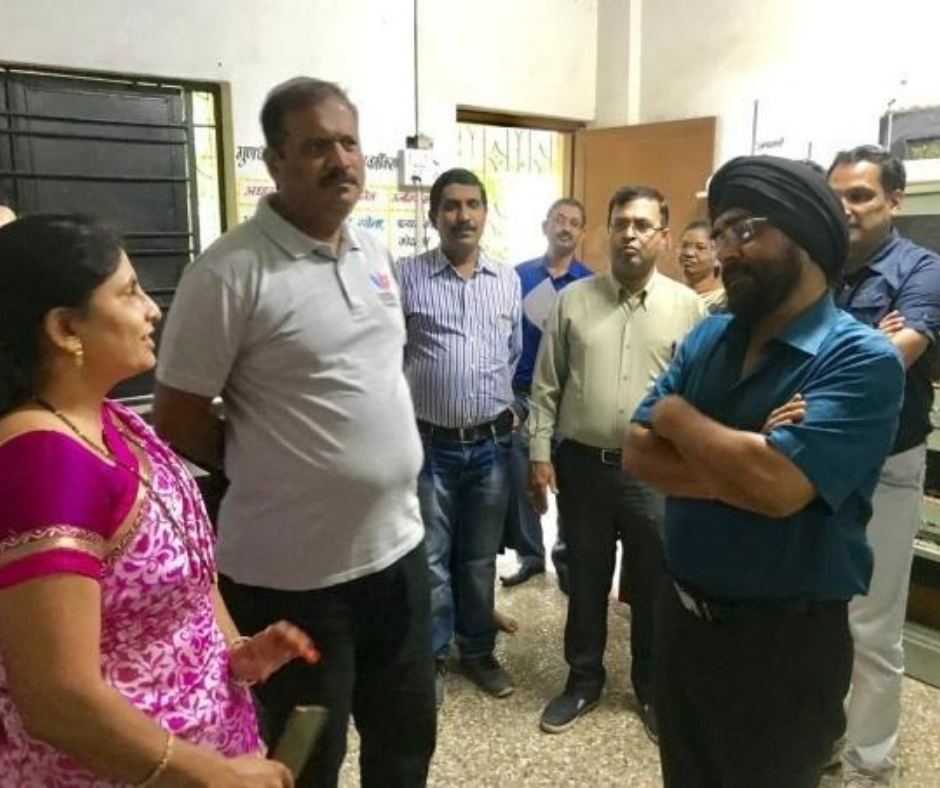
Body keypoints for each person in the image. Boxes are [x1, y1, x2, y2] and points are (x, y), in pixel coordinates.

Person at [153, 77, 436, 788]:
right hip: (292, 579)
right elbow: (178, 414)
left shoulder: (373, 254)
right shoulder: (229, 273)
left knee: (406, 738)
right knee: (306, 757)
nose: (340, 161)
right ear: (275, 161)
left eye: (349, 143)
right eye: (316, 147)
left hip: (397, 553)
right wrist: (268, 464)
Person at [0, 215, 317, 787]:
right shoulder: (46, 464)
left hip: (206, 750)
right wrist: (213, 777)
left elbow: (185, 565)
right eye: (129, 293)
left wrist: (234, 650)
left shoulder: (109, 420)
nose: (152, 310)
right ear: (66, 328)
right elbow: (58, 696)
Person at [624, 155, 905, 788]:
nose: (725, 250)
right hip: (682, 628)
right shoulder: (710, 337)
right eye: (721, 232)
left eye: (746, 229)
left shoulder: (861, 359)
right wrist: (750, 453)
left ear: (804, 232)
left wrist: (678, 415)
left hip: (783, 651)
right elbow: (638, 451)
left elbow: (777, 489)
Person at [528, 185, 705, 737]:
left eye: (642, 225)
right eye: (621, 223)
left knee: (654, 584)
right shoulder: (573, 301)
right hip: (584, 466)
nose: (630, 234)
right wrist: (539, 453)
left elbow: (700, 396)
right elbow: (546, 385)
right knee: (585, 579)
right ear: (608, 231)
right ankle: (583, 680)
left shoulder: (689, 308)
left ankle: (651, 687)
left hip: (656, 470)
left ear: (663, 237)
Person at [828, 145, 940, 787]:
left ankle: (870, 765)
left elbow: (895, 358)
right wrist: (870, 340)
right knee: (821, 613)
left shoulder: (921, 269)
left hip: (887, 465)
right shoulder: (817, 263)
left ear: (894, 200)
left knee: (872, 626)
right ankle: (827, 735)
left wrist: (852, 348)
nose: (846, 208)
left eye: (861, 195)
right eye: (837, 195)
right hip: (817, 460)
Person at [394, 168, 522, 707]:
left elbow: (512, 354)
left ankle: (479, 650)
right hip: (429, 446)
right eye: (451, 205)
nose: (462, 216)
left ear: (485, 214)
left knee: (479, 557)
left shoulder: (507, 279)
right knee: (430, 560)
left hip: (491, 446)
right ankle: (434, 656)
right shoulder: (406, 276)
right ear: (434, 216)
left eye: (472, 205)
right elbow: (389, 356)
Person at [500, 197, 592, 590]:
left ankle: (567, 561)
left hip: (568, 396)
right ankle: (531, 556)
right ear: (545, 226)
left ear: (582, 232)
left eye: (574, 222)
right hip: (522, 393)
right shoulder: (517, 276)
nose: (565, 227)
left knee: (569, 479)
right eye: (559, 219)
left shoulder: (590, 284)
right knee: (523, 475)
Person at [678, 218, 726, 313]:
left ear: (717, 254)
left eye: (700, 247)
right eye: (684, 246)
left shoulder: (723, 302)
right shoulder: (671, 297)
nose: (689, 253)